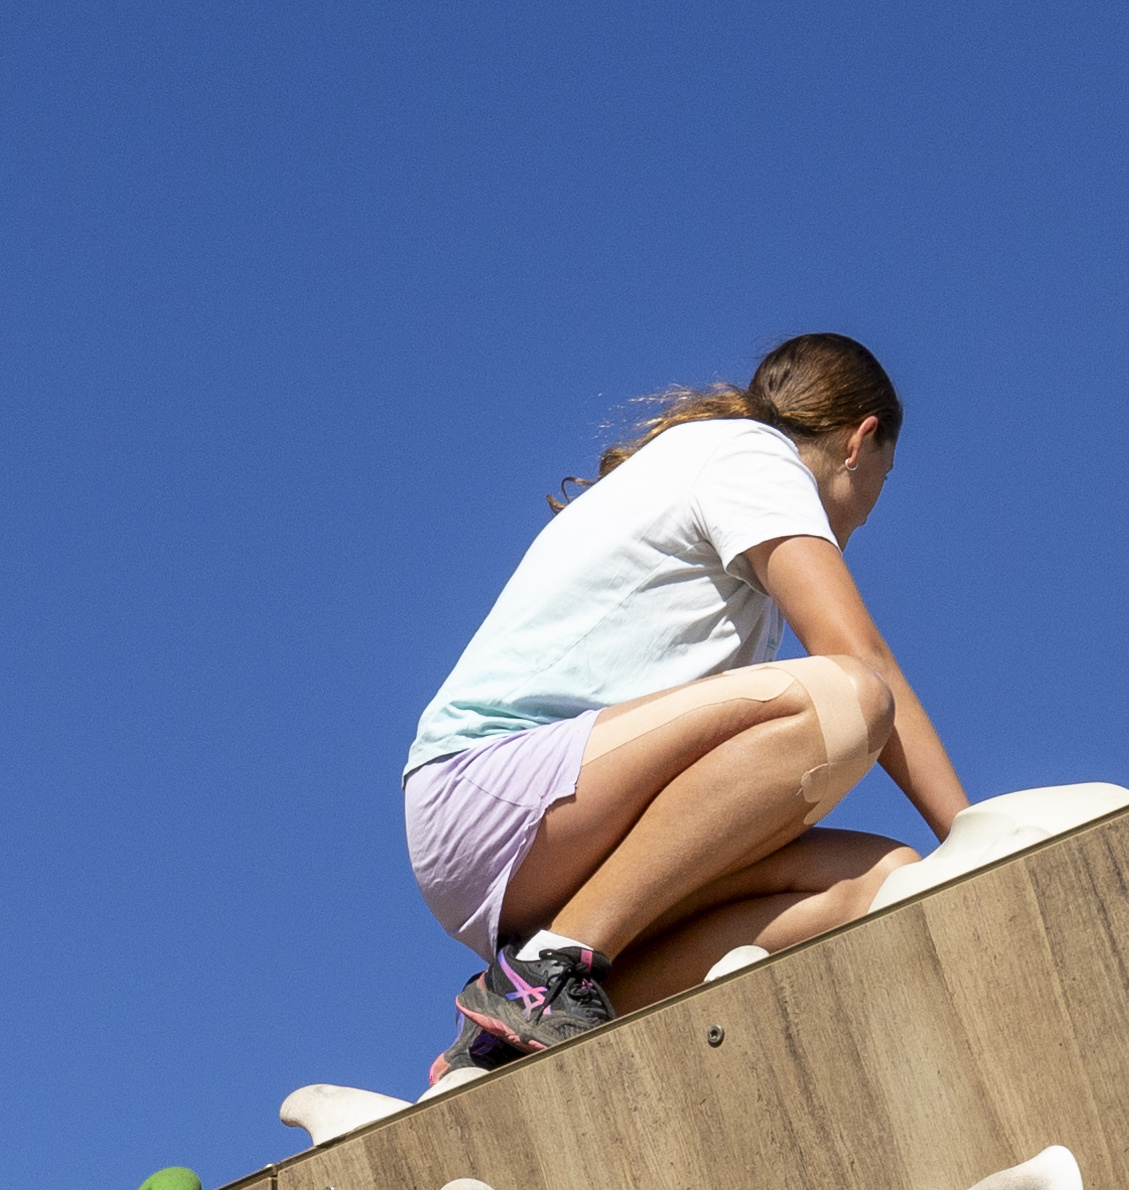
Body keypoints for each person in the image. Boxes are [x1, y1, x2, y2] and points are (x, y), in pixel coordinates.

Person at [401, 333, 978, 1076]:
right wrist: (976, 842)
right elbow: (861, 659)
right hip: (487, 791)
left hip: (559, 837)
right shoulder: (751, 455)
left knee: (884, 881)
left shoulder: (731, 532)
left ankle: (509, 1038)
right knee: (845, 699)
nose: (868, 514)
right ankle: (550, 970)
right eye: (883, 478)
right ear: (859, 442)